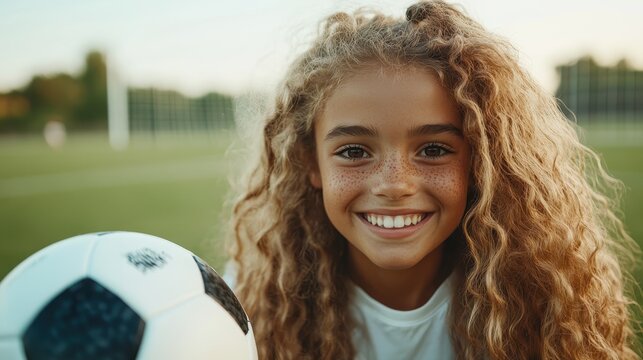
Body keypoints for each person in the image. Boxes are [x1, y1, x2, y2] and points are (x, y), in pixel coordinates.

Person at [222, 1, 640, 359]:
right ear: (310, 163)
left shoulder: (543, 299)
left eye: (434, 150)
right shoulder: (245, 305)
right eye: (353, 152)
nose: (394, 184)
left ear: (481, 161)